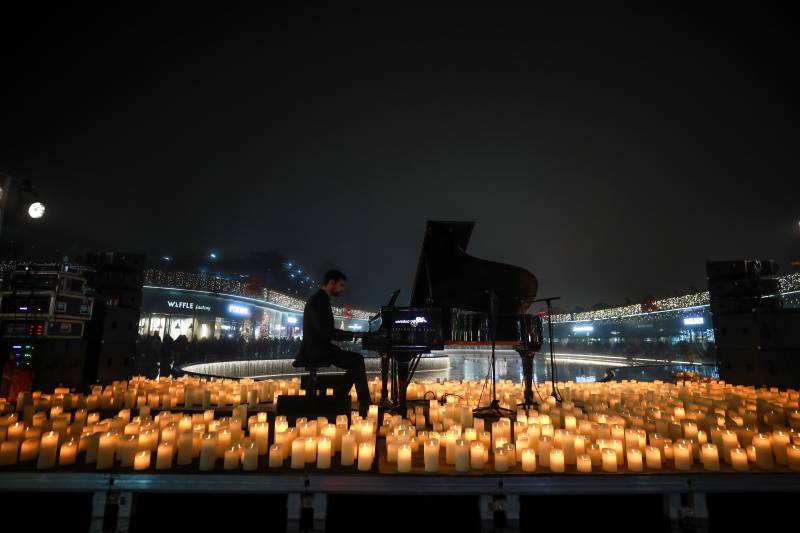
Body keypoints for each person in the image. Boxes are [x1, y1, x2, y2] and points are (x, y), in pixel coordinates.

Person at [294, 269, 370, 416]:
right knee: (357, 360)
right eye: (341, 285)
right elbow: (326, 332)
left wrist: (350, 335)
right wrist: (352, 334)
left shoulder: (320, 299)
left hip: (319, 347)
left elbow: (326, 331)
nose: (342, 289)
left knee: (356, 361)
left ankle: (342, 400)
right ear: (331, 283)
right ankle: (359, 404)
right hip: (316, 350)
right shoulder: (319, 301)